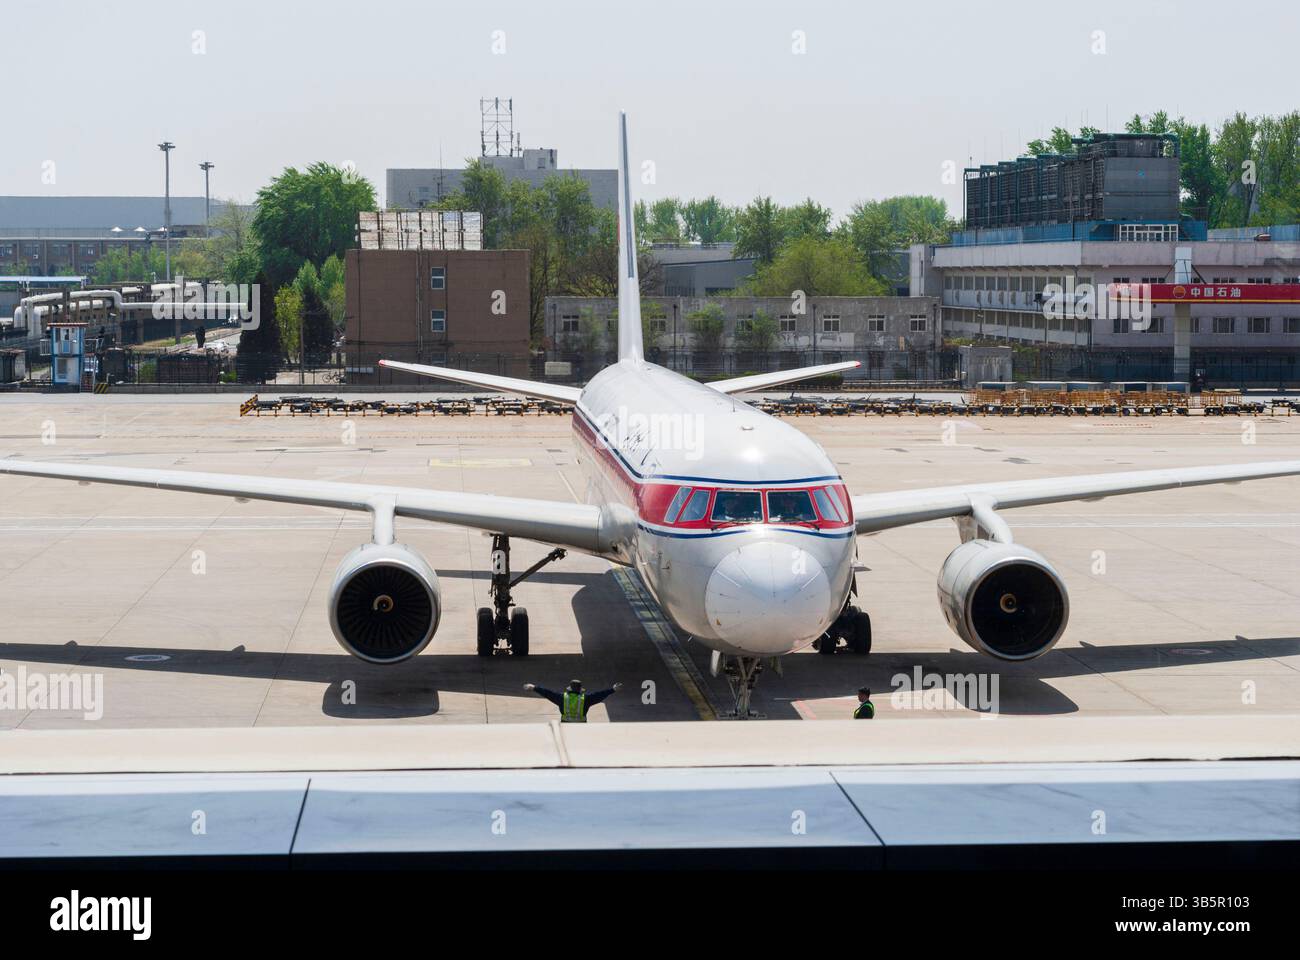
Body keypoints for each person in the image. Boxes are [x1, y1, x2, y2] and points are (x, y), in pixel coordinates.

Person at [524, 679, 623, 722]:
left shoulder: (562, 698)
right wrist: (613, 689)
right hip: (581, 728)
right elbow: (600, 695)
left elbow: (548, 693)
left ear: (569, 689)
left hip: (566, 727)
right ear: (580, 690)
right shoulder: (586, 699)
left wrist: (534, 688)